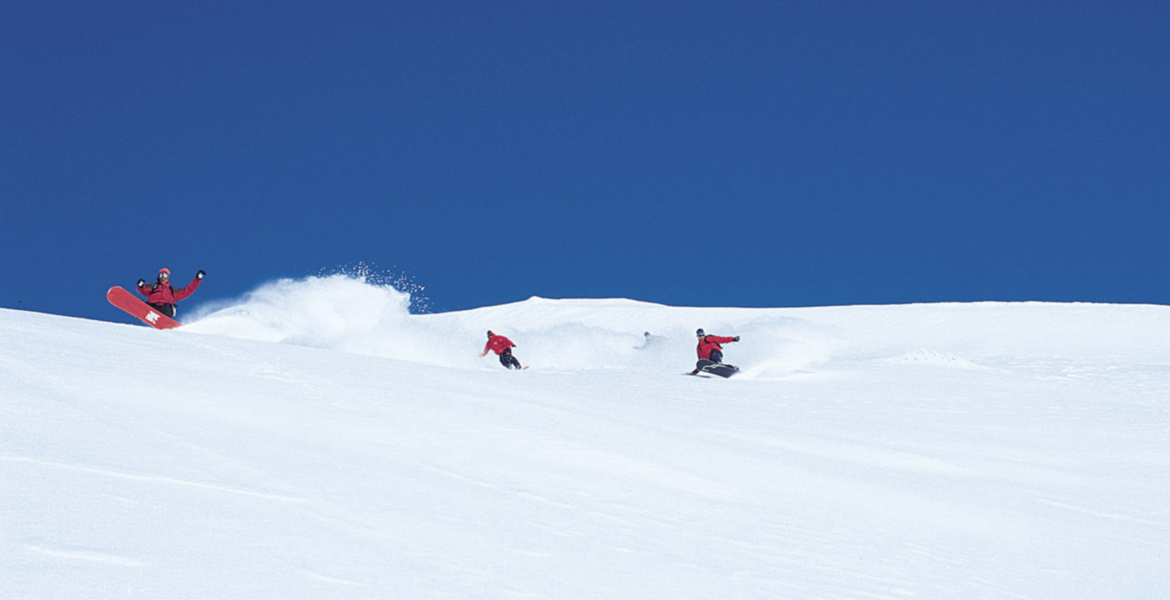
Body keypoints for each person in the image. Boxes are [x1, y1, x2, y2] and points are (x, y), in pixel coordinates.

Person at [137, 268, 204, 318]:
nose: (163, 278)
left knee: (166, 305)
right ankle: (141, 309)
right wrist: (141, 286)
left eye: (165, 276)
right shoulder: (153, 286)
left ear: (168, 278)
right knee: (149, 303)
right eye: (161, 275)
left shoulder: (172, 290)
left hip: (164, 309)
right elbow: (144, 291)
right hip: (153, 307)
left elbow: (188, 291)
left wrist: (197, 279)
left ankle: (165, 319)